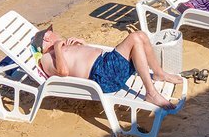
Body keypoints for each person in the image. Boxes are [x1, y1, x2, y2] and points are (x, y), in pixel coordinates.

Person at [34, 27, 181, 109]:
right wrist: (57, 47)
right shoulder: (46, 58)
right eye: (53, 32)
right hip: (103, 75)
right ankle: (151, 93)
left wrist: (83, 44)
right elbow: (63, 72)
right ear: (47, 37)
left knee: (141, 36)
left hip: (107, 65)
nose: (57, 33)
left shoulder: (63, 48)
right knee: (135, 37)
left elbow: (81, 60)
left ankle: (159, 73)